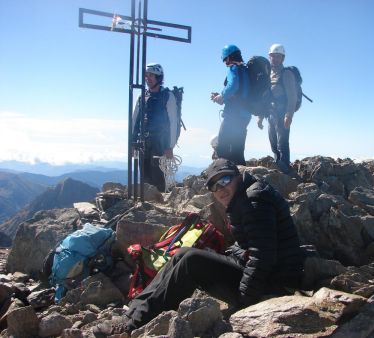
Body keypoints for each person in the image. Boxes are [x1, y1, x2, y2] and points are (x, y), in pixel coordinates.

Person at [93, 158, 303, 337]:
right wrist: (234, 253)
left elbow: (262, 256)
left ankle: (130, 326)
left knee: (192, 262)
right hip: (266, 274)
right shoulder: (245, 195)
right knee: (182, 253)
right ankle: (134, 312)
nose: (221, 189)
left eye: (225, 179)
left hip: (274, 284)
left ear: (238, 176)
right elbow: (256, 245)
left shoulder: (253, 201)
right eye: (214, 186)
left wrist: (244, 300)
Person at [132, 63, 178, 192]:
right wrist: (132, 142)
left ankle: (160, 203)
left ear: (159, 77)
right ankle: (148, 203)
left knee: (157, 176)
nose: (147, 78)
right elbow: (135, 120)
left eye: (151, 75)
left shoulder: (168, 96)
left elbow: (173, 122)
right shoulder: (142, 96)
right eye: (146, 75)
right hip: (143, 143)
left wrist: (170, 146)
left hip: (160, 143)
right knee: (144, 176)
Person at [258, 44, 300, 174]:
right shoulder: (268, 73)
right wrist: (260, 117)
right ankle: (278, 165)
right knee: (273, 141)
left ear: (282, 58)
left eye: (278, 56)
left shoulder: (286, 74)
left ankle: (285, 169)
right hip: (270, 112)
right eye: (272, 56)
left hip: (282, 112)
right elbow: (264, 96)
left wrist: (289, 115)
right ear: (269, 57)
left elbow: (292, 96)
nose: (275, 59)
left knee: (282, 141)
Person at [210, 44, 251, 166]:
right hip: (245, 116)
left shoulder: (233, 68)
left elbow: (233, 86)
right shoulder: (245, 70)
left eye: (224, 59)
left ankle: (225, 179)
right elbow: (241, 93)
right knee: (238, 152)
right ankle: (242, 181)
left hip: (233, 115)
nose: (224, 63)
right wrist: (223, 96)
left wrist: (221, 96)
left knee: (222, 148)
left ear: (228, 58)